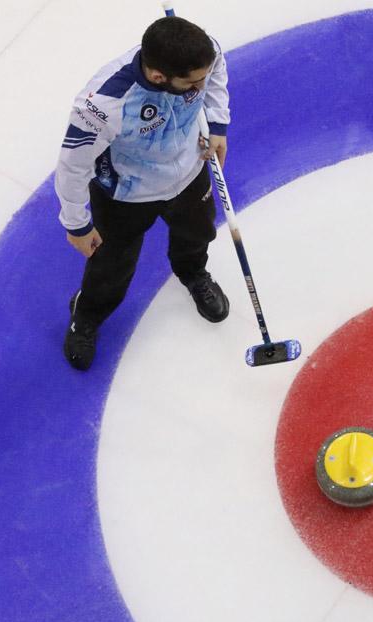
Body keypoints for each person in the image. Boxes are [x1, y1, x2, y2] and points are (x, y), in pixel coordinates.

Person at [55, 16, 232, 371]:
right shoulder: (103, 105)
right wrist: (76, 224)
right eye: (192, 82)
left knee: (197, 233)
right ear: (158, 77)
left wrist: (217, 124)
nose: (201, 84)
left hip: (188, 172)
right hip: (125, 194)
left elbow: (216, 76)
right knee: (111, 263)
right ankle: (87, 315)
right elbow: (72, 166)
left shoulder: (203, 53)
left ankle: (193, 273)